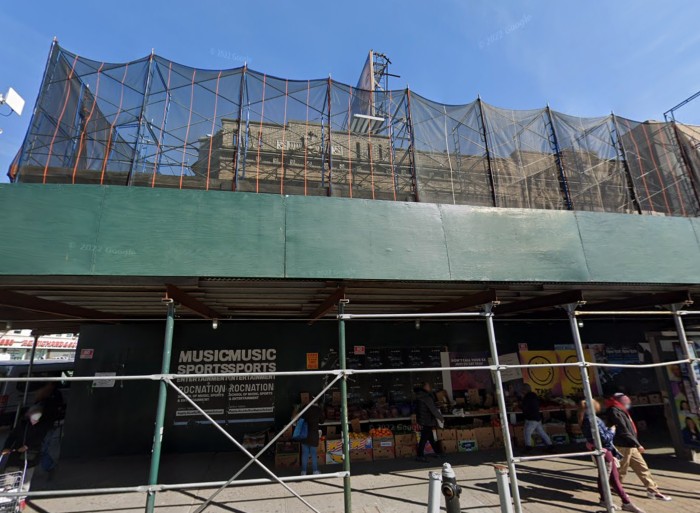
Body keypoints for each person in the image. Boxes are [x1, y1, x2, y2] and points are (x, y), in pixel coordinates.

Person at [579, 400, 645, 512]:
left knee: (608, 477)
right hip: (605, 452)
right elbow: (605, 439)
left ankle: (610, 500)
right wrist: (612, 430)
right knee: (609, 478)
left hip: (601, 451)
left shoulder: (585, 419)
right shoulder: (592, 420)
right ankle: (625, 502)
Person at [606, 393, 671, 501]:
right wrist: (637, 444)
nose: (628, 403)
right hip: (623, 445)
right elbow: (623, 430)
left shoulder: (621, 410)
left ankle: (653, 490)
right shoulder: (614, 411)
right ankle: (615, 487)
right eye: (626, 401)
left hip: (630, 445)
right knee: (621, 469)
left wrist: (635, 443)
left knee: (642, 467)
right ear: (619, 401)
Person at [520, 384, 555, 453]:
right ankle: (550, 445)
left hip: (531, 418)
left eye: (522, 390)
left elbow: (524, 406)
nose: (521, 391)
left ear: (524, 390)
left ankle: (528, 447)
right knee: (541, 432)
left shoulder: (527, 397)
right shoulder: (534, 395)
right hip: (536, 417)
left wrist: (521, 401)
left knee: (527, 432)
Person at [414, 382, 443, 462]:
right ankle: (420, 455)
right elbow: (433, 409)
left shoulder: (419, 396)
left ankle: (437, 452)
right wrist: (440, 418)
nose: (430, 387)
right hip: (427, 421)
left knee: (430, 438)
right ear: (424, 387)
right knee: (424, 439)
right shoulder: (426, 397)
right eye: (428, 386)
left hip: (423, 420)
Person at [298, 393, 323, 476]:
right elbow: (322, 421)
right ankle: (315, 471)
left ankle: (303, 472)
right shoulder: (318, 409)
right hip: (313, 434)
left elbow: (299, 419)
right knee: (313, 453)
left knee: (304, 453)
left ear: (308, 401)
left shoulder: (304, 408)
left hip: (304, 434)